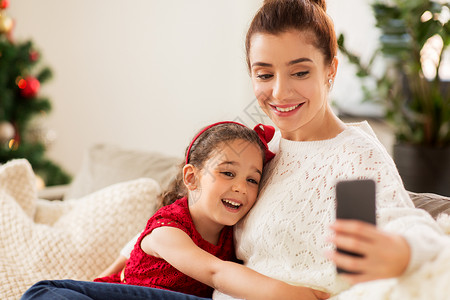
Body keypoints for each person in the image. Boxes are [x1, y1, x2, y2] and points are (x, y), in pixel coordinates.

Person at [22, 0, 447, 299]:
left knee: (45, 293)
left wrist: (403, 251)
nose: (279, 92)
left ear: (331, 70)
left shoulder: (351, 156)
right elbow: (199, 211)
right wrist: (127, 254)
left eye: (300, 71)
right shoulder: (262, 148)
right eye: (264, 74)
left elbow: (408, 227)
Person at [22, 121, 330, 300]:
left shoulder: (235, 235)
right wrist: (302, 295)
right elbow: (215, 272)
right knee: (45, 293)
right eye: (228, 173)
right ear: (191, 178)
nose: (241, 187)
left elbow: (126, 252)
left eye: (252, 179)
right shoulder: (168, 229)